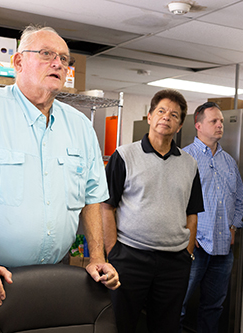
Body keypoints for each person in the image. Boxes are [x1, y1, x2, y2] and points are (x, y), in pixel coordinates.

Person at [0, 25, 119, 333]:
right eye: (46, 54)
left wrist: (95, 256)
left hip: (54, 271)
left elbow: (93, 198)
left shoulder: (79, 126)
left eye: (64, 59)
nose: (58, 63)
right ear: (18, 63)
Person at [102, 89, 204, 333]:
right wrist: (113, 251)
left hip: (174, 262)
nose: (166, 117)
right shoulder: (124, 155)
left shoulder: (189, 164)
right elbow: (106, 206)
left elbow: (192, 212)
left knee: (167, 326)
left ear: (179, 126)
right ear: (149, 116)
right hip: (130, 257)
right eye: (161, 111)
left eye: (174, 115)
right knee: (121, 324)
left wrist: (188, 253)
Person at [180, 102, 243, 333]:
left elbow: (239, 199)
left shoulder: (228, 162)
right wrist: (187, 233)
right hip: (193, 247)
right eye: (213, 121)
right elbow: (174, 201)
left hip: (223, 249)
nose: (220, 125)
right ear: (198, 125)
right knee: (179, 304)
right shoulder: (184, 157)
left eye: (222, 122)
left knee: (214, 306)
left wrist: (234, 227)